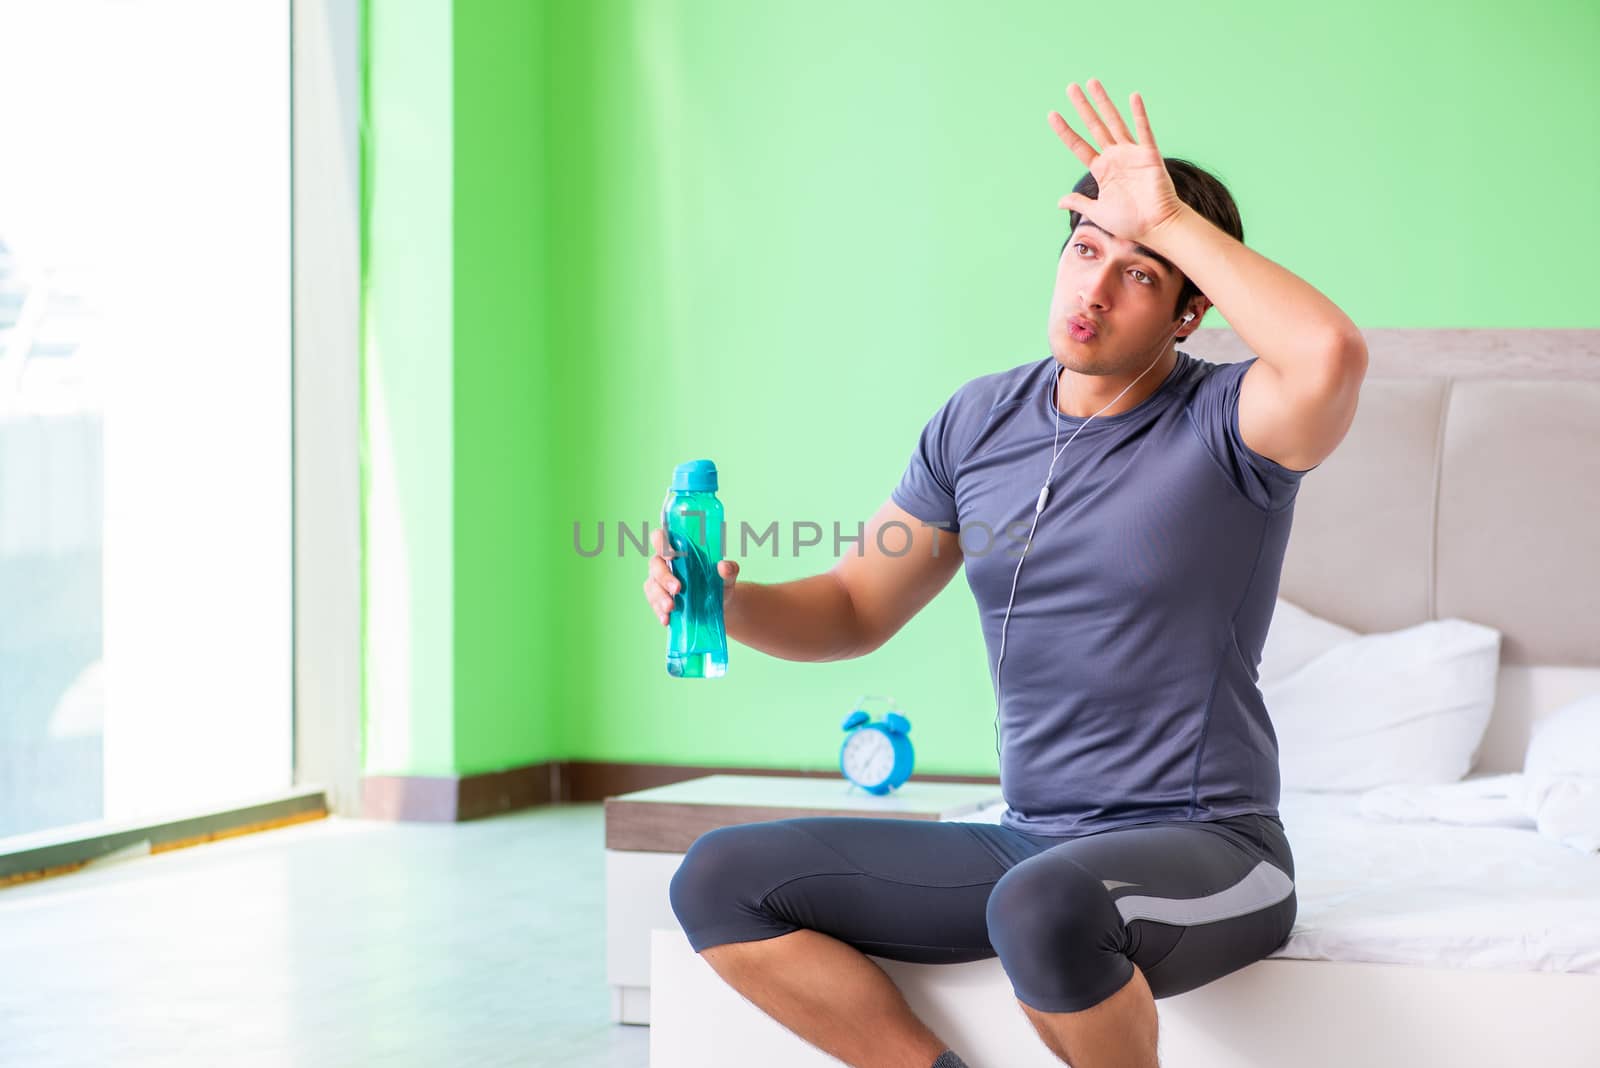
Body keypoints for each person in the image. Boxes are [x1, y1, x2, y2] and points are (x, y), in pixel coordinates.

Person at [641, 78, 1367, 1068]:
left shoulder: (1231, 425)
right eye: (1084, 251)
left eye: (1141, 274)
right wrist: (728, 605)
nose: (1094, 291)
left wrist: (1165, 216)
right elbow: (856, 605)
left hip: (1212, 847)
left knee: (1041, 906)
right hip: (1031, 838)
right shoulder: (978, 421)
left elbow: (1329, 351)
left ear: (1190, 311)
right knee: (718, 877)